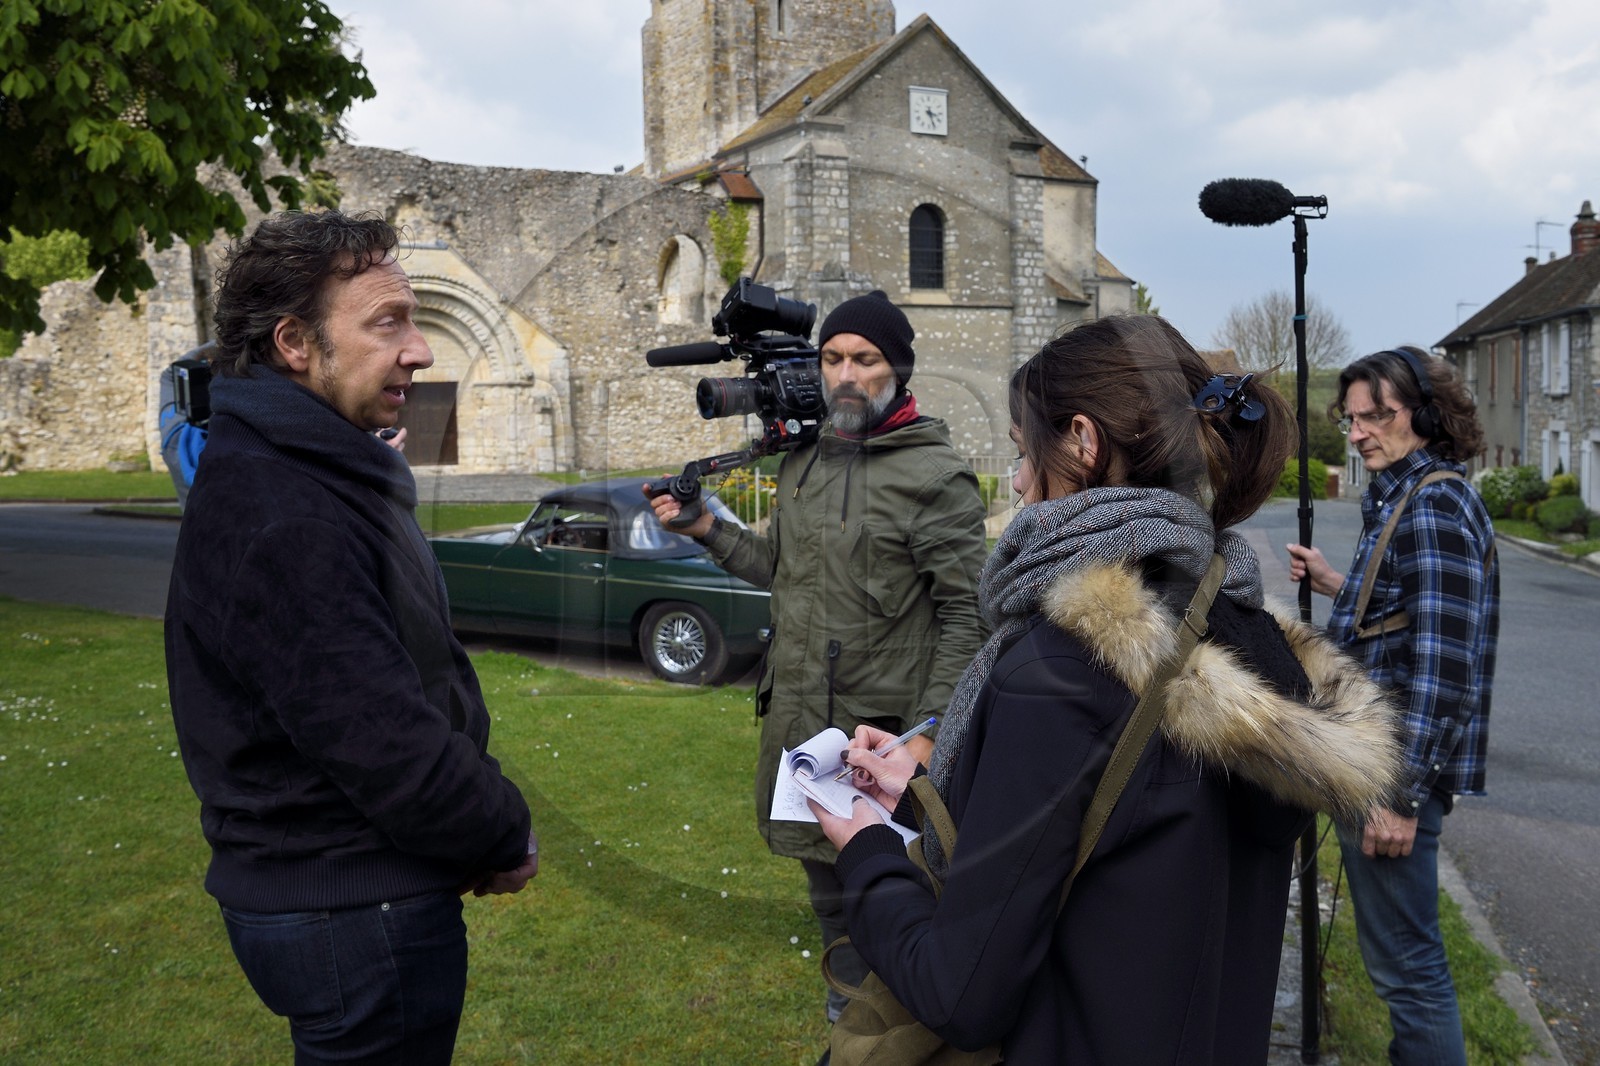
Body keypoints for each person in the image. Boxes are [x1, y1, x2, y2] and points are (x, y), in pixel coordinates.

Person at [811, 315, 1405, 1062]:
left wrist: (866, 851)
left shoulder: (1059, 671)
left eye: (1026, 454)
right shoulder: (1246, 639)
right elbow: (1115, 845)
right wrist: (924, 788)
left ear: (1084, 443)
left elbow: (960, 991)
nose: (1021, 482)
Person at [164, 209, 535, 1064]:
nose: (420, 349)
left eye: (414, 319)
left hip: (346, 899)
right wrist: (501, 828)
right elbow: (380, 739)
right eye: (387, 323)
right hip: (351, 911)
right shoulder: (284, 505)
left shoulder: (310, 468)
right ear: (296, 343)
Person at [646, 290, 989, 1038]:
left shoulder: (933, 474)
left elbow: (970, 615)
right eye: (832, 358)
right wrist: (705, 525)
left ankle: (897, 1038)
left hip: (883, 744)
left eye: (863, 359)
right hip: (806, 736)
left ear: (897, 368)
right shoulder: (804, 462)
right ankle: (850, 1030)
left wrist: (927, 736)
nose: (845, 374)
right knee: (833, 911)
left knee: (900, 911)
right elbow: (781, 566)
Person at [1287, 346, 1498, 1066]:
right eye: (1350, 419)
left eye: (1377, 416)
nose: (1357, 433)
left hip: (1392, 780)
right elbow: (1408, 613)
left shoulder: (1434, 503)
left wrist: (1400, 797)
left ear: (1427, 416)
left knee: (1409, 973)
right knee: (1400, 967)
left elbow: (1444, 665)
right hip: (1379, 771)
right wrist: (1336, 583)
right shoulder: (1407, 496)